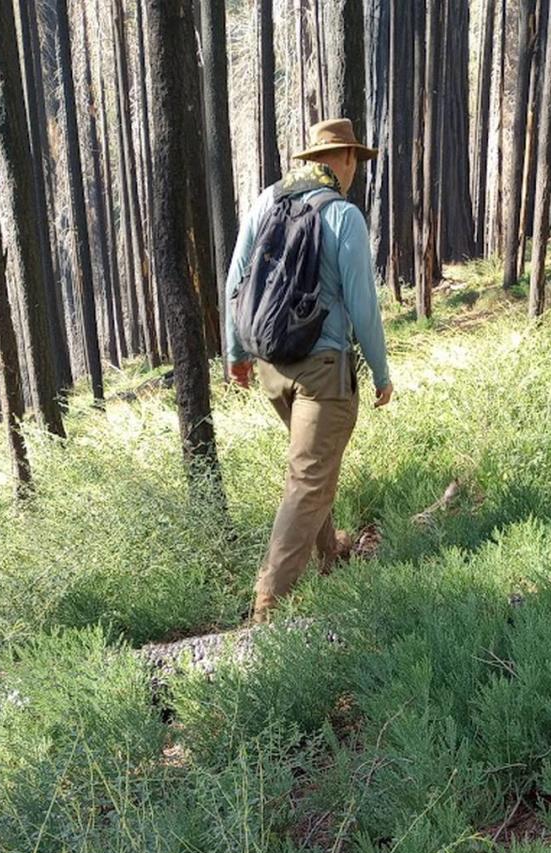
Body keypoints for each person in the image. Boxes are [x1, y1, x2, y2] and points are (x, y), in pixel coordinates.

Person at [225, 118, 393, 623]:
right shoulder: (343, 215)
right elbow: (363, 306)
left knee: (311, 470)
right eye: (355, 162)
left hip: (271, 362)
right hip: (322, 368)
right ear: (341, 159)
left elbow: (236, 279)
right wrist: (381, 373)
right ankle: (269, 606)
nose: (355, 171)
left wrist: (236, 351)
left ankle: (332, 554)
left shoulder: (268, 200)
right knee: (309, 479)